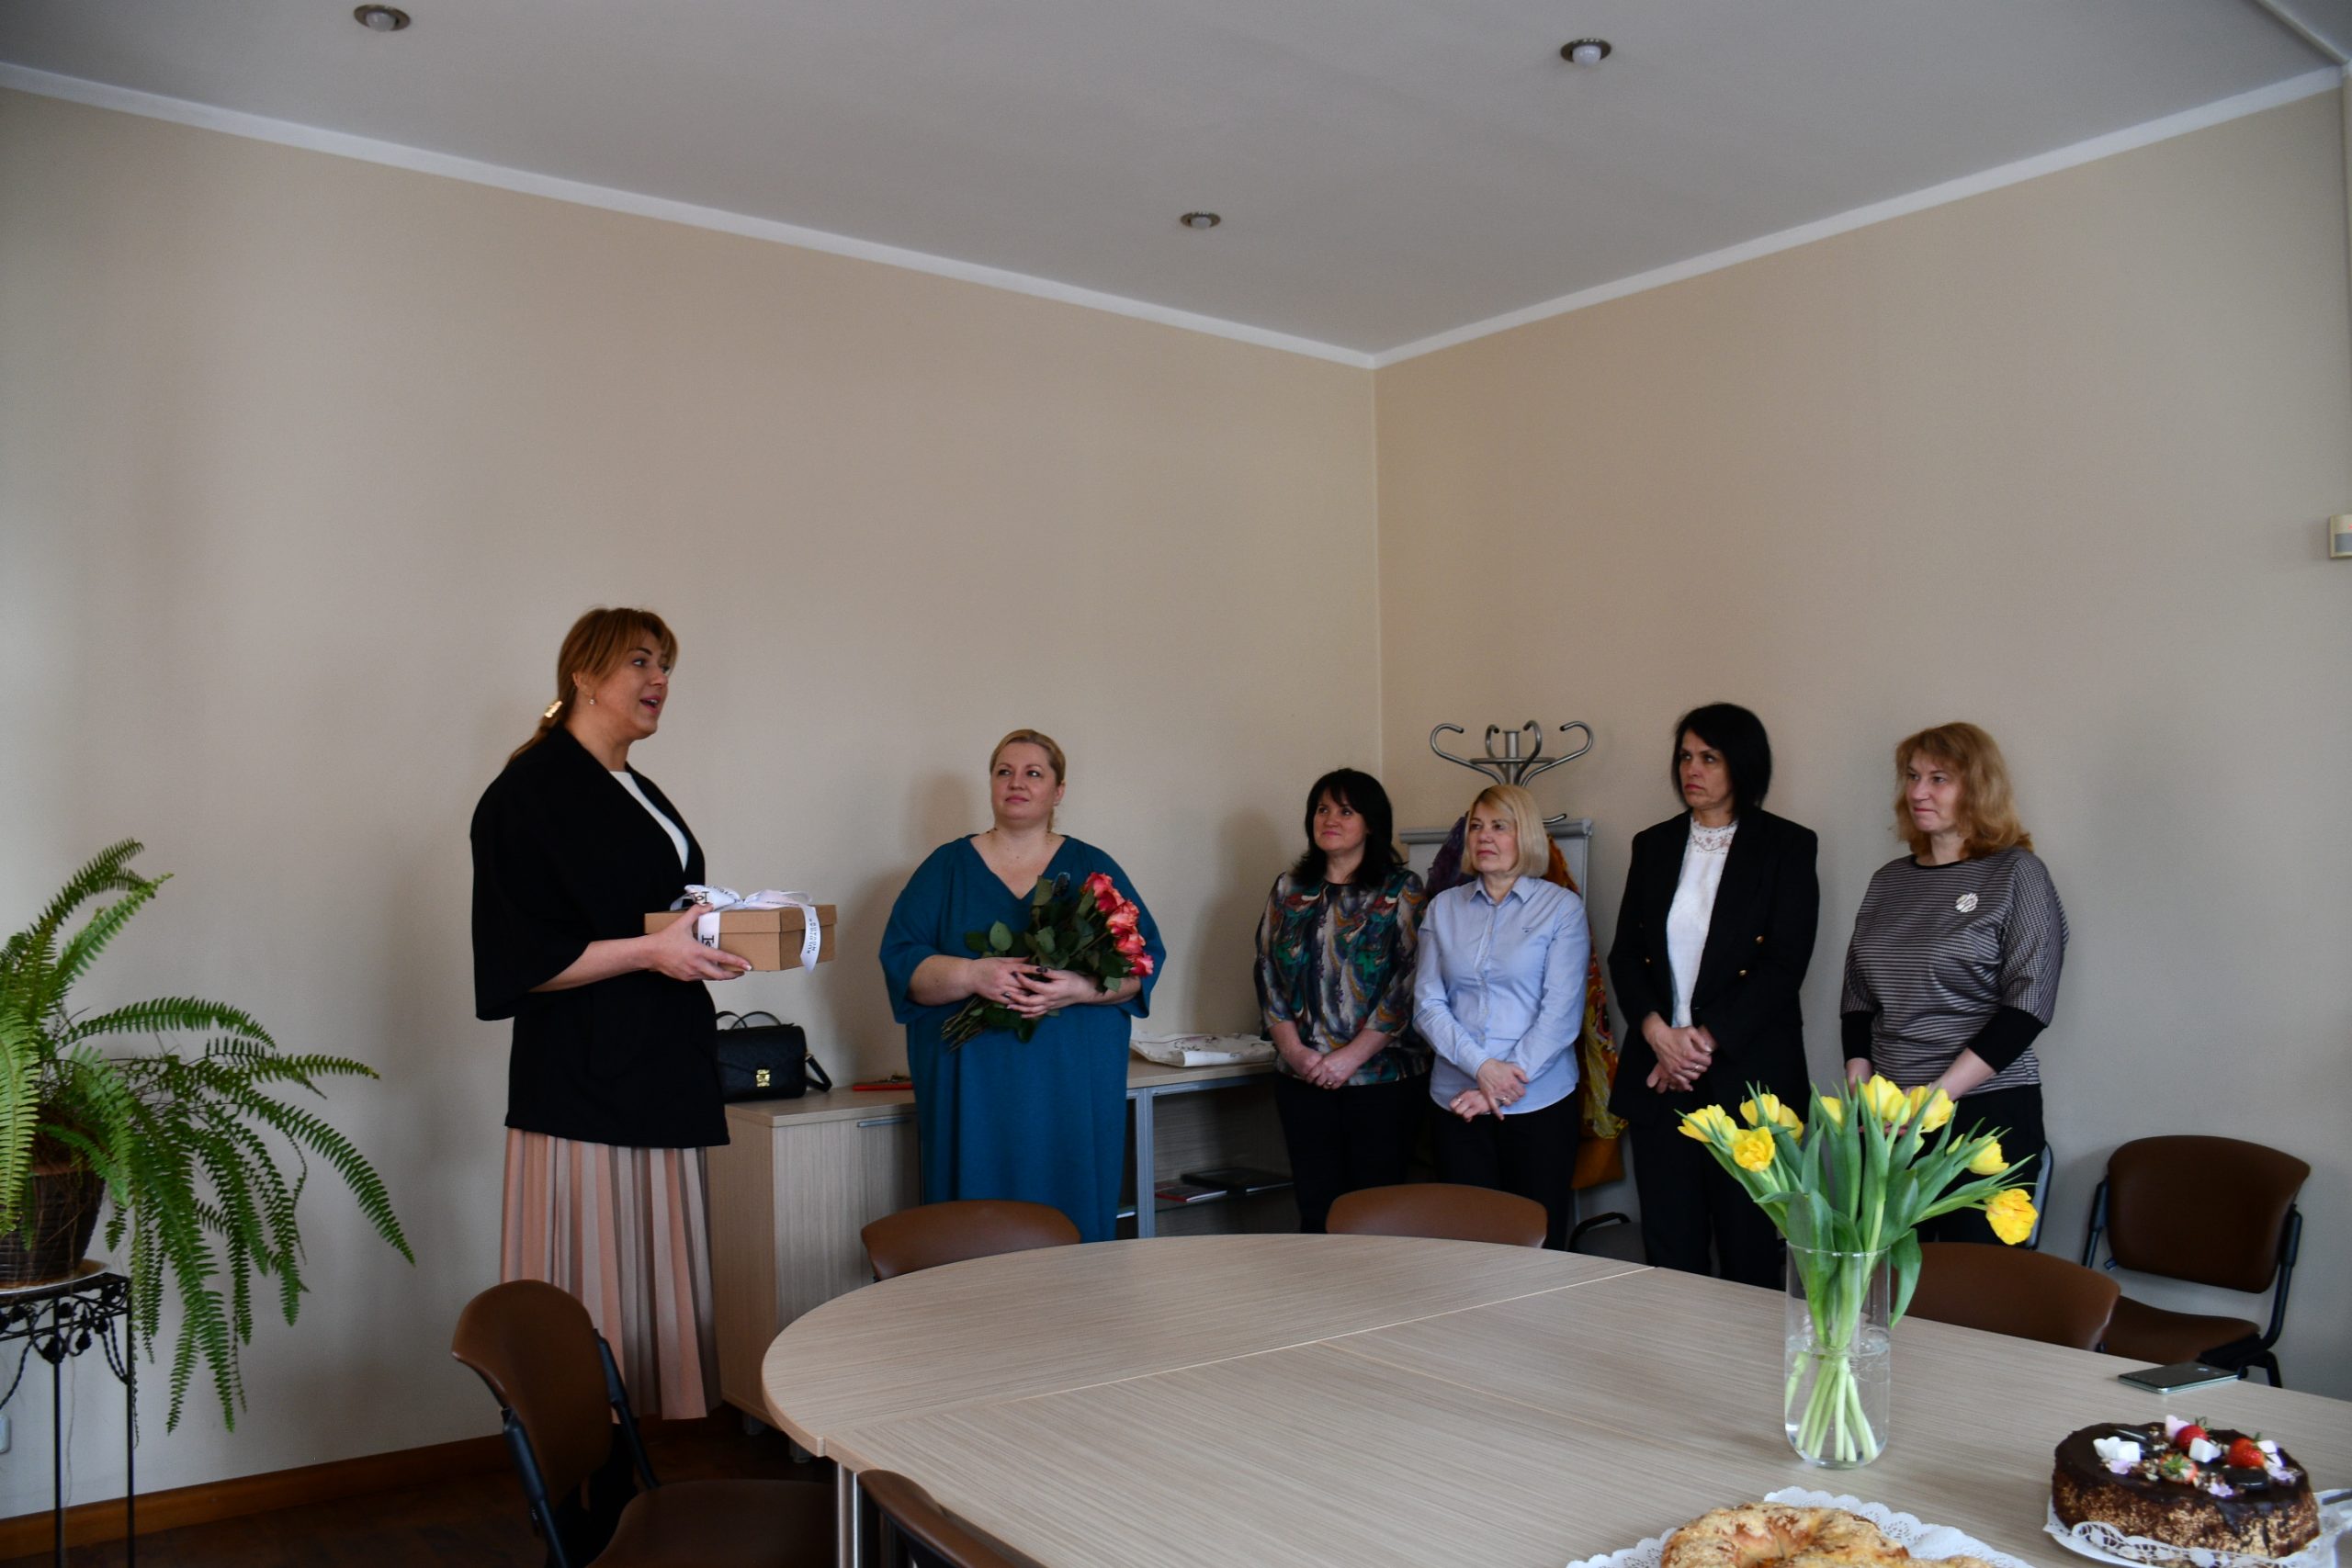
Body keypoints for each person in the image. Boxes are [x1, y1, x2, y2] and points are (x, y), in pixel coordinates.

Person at [470, 606, 750, 1420]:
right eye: (640, 661)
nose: (660, 679)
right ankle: (587, 1469)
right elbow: (519, 960)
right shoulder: (527, 793)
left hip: (657, 1066)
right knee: (591, 1296)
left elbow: (643, 912)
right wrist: (653, 951)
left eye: (665, 665)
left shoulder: (638, 787)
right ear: (584, 675)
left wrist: (702, 933)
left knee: (646, 1306)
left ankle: (628, 1460)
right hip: (584, 1083)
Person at [880, 729, 1164, 1243]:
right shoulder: (945, 870)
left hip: (1069, 1083)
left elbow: (1140, 966)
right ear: (991, 784)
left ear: (1058, 791)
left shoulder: (1091, 868)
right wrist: (972, 974)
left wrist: (1078, 987)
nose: (1017, 783)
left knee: (1069, 1215)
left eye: (1034, 773)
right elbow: (902, 963)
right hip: (973, 1087)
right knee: (975, 1224)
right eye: (1004, 772)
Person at [1608, 704, 1819, 1287]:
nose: (1691, 770)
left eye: (1709, 758)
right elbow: (1626, 955)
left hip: (1748, 1078)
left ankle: (1747, 1355)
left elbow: (1784, 964)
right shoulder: (1653, 844)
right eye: (1685, 756)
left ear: (1742, 765)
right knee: (1670, 1250)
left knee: (1749, 1249)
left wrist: (1699, 1044)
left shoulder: (1787, 845)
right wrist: (1659, 1036)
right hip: (1660, 1077)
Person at [1840, 722, 2067, 1246]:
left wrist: (1934, 1099)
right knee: (1883, 1274)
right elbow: (1857, 998)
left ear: (1978, 788)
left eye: (1938, 779)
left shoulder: (2017, 874)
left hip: (1984, 1113)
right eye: (1912, 777)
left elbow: (2029, 1005)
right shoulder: (1889, 881)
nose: (1918, 792)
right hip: (1888, 1119)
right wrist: (1862, 1092)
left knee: (1976, 1281)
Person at [1412, 783, 1590, 1249]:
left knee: (1539, 1245)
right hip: (1458, 1105)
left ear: (1524, 834)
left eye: (1499, 826)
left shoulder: (1561, 908)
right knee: (1467, 1247)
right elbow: (1427, 1005)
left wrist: (1502, 1082)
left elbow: (1561, 1013)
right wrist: (1482, 1069)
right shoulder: (1443, 908)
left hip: (1538, 1103)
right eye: (1476, 826)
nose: (1484, 837)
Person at [1255, 769, 1429, 1234]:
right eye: (1322, 809)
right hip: (1302, 1078)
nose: (1330, 819)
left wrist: (1350, 1058)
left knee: (1374, 1214)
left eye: (1346, 811)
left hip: (1382, 1081)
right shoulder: (1288, 888)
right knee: (1316, 1211)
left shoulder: (1402, 889)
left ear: (1371, 823)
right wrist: (1295, 1052)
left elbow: (1409, 983)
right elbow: (1267, 973)